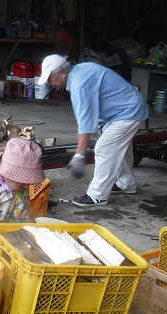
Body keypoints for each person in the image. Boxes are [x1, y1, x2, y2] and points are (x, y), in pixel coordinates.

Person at [37, 54, 149, 207]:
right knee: (118, 146)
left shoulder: (79, 85)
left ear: (62, 73)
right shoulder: (81, 71)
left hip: (128, 112)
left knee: (104, 148)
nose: (49, 83)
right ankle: (126, 183)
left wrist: (79, 155)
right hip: (125, 110)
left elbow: (85, 124)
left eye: (49, 78)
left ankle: (98, 195)